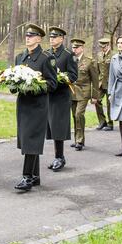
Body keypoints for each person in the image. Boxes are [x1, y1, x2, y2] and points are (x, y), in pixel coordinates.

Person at [13, 24, 58, 191]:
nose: (28, 38)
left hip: (37, 105)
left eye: (31, 35)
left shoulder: (47, 58)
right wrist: (12, 83)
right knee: (26, 139)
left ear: (39, 39)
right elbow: (15, 80)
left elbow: (52, 84)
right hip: (23, 104)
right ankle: (36, 176)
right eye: (26, 35)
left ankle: (27, 177)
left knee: (32, 140)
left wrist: (34, 85)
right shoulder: (20, 57)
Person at [45, 26, 78, 171]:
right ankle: (57, 156)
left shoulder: (68, 55)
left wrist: (60, 78)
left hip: (61, 96)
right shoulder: (46, 54)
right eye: (51, 37)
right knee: (51, 128)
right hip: (48, 96)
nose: (52, 39)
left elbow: (73, 75)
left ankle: (60, 157)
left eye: (55, 37)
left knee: (58, 128)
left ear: (62, 39)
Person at [70, 38, 97, 150]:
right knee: (74, 116)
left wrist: (95, 96)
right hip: (72, 92)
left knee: (78, 114)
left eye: (77, 47)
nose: (74, 49)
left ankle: (80, 141)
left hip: (84, 92)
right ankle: (78, 139)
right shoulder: (70, 60)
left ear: (82, 48)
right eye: (73, 47)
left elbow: (95, 80)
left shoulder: (89, 61)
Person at [93, 36, 114, 131]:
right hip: (101, 82)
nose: (102, 48)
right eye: (101, 47)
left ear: (108, 45)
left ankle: (110, 123)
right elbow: (97, 70)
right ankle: (102, 121)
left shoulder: (114, 56)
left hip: (110, 82)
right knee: (97, 101)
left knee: (109, 103)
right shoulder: (99, 55)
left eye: (104, 47)